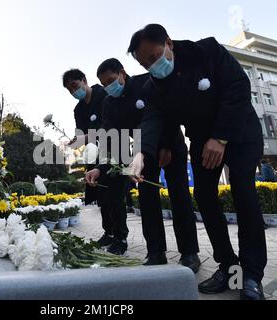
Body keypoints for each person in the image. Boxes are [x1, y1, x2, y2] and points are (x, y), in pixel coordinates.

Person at [127, 24, 267, 300]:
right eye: (145, 64)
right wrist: (142, 153)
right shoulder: (154, 85)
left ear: (169, 42)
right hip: (203, 141)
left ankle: (250, 275)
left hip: (239, 132)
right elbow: (153, 119)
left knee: (243, 192)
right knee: (204, 195)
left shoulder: (206, 51)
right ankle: (228, 267)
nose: (153, 66)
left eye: (154, 57)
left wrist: (221, 137)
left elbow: (238, 86)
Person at [85, 58, 201, 271]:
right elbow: (112, 141)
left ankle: (189, 252)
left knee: (179, 196)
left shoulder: (146, 84)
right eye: (104, 85)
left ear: (122, 73)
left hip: (170, 144)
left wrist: (165, 146)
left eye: (111, 80)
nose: (109, 87)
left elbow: (168, 113)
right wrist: (99, 168)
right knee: (147, 200)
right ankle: (156, 251)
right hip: (141, 152)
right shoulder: (109, 104)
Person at [62, 69, 115, 249]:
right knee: (101, 194)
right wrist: (76, 141)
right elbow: (82, 134)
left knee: (114, 193)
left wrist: (87, 137)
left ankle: (120, 236)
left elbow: (111, 124)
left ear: (84, 80)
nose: (73, 92)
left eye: (74, 86)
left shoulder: (103, 94)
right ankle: (108, 232)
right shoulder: (78, 109)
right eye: (69, 90)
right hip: (94, 154)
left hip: (114, 149)